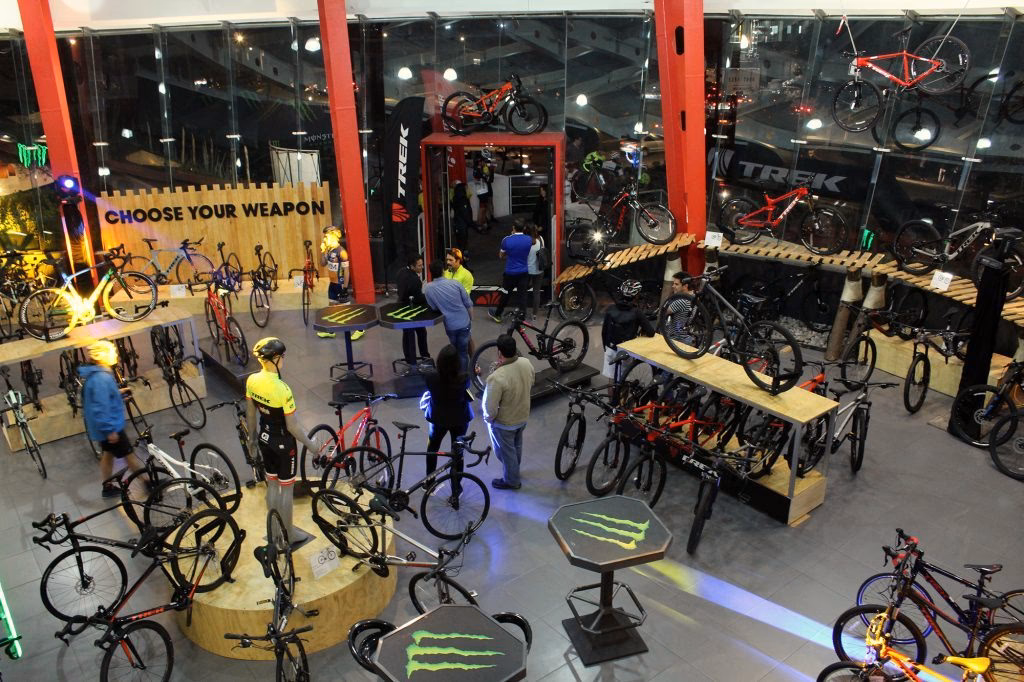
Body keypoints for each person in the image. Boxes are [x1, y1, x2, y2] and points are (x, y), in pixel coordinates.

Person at [245, 337, 319, 548]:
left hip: (264, 438)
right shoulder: (282, 389)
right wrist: (311, 445)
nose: (284, 360)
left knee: (272, 485)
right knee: (286, 489)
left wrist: (252, 439)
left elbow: (250, 414)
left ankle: (273, 530)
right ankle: (289, 533)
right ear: (275, 359)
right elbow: (292, 426)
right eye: (283, 356)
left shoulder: (252, 380)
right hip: (284, 444)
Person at [82, 341, 149, 497]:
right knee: (129, 454)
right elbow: (101, 406)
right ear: (101, 356)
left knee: (108, 455)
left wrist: (118, 394)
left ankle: (107, 487)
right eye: (111, 352)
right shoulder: (101, 379)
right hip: (110, 427)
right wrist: (110, 430)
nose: (115, 354)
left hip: (103, 427)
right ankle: (147, 483)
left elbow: (102, 399)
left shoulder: (96, 375)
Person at [482, 334, 534, 490]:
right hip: (522, 415)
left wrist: (489, 419)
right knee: (517, 446)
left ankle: (512, 481)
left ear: (499, 352)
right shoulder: (526, 363)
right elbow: (531, 382)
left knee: (506, 452)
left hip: (505, 423)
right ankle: (514, 470)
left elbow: (490, 407)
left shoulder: (497, 377)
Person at [421, 344, 473, 493]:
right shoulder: (464, 379)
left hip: (437, 419)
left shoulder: (431, 377)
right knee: (458, 452)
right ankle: (456, 487)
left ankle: (430, 482)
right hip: (460, 419)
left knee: (432, 449)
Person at [423, 260, 474, 370]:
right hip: (464, 323)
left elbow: (433, 307)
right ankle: (464, 376)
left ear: (431, 272)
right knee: (463, 352)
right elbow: (468, 303)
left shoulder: (428, 288)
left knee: (455, 350)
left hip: (450, 326)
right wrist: (470, 319)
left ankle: (456, 373)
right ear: (443, 271)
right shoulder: (455, 283)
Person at [601, 281, 655, 379]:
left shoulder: (611, 308)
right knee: (623, 379)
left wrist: (606, 347)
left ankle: (612, 389)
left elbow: (604, 331)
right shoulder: (637, 312)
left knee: (611, 378)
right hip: (626, 350)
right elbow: (651, 332)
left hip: (610, 347)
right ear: (636, 296)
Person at [489, 219, 533, 323]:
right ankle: (522, 318)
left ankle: (498, 314)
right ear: (524, 228)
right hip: (524, 272)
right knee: (522, 296)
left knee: (505, 294)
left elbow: (501, 256)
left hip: (510, 273)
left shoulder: (507, 240)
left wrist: (510, 255)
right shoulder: (529, 239)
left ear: (513, 228)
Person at [395, 254, 430, 370]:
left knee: (407, 334)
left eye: (422, 265)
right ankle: (425, 357)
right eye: (419, 266)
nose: (422, 267)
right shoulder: (415, 280)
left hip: (401, 309)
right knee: (421, 333)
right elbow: (418, 298)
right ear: (412, 266)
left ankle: (409, 359)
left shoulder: (400, 272)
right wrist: (427, 297)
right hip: (413, 312)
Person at [525, 223, 546, 319]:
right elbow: (543, 251)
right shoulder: (541, 239)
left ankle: (522, 311)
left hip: (527, 271)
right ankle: (534, 314)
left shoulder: (525, 242)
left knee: (523, 291)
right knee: (536, 293)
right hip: (539, 270)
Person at [451, 183, 474, 253]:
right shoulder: (463, 200)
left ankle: (462, 253)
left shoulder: (455, 198)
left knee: (459, 241)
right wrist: (471, 223)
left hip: (457, 223)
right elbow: (465, 213)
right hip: (462, 224)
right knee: (463, 242)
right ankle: (463, 254)